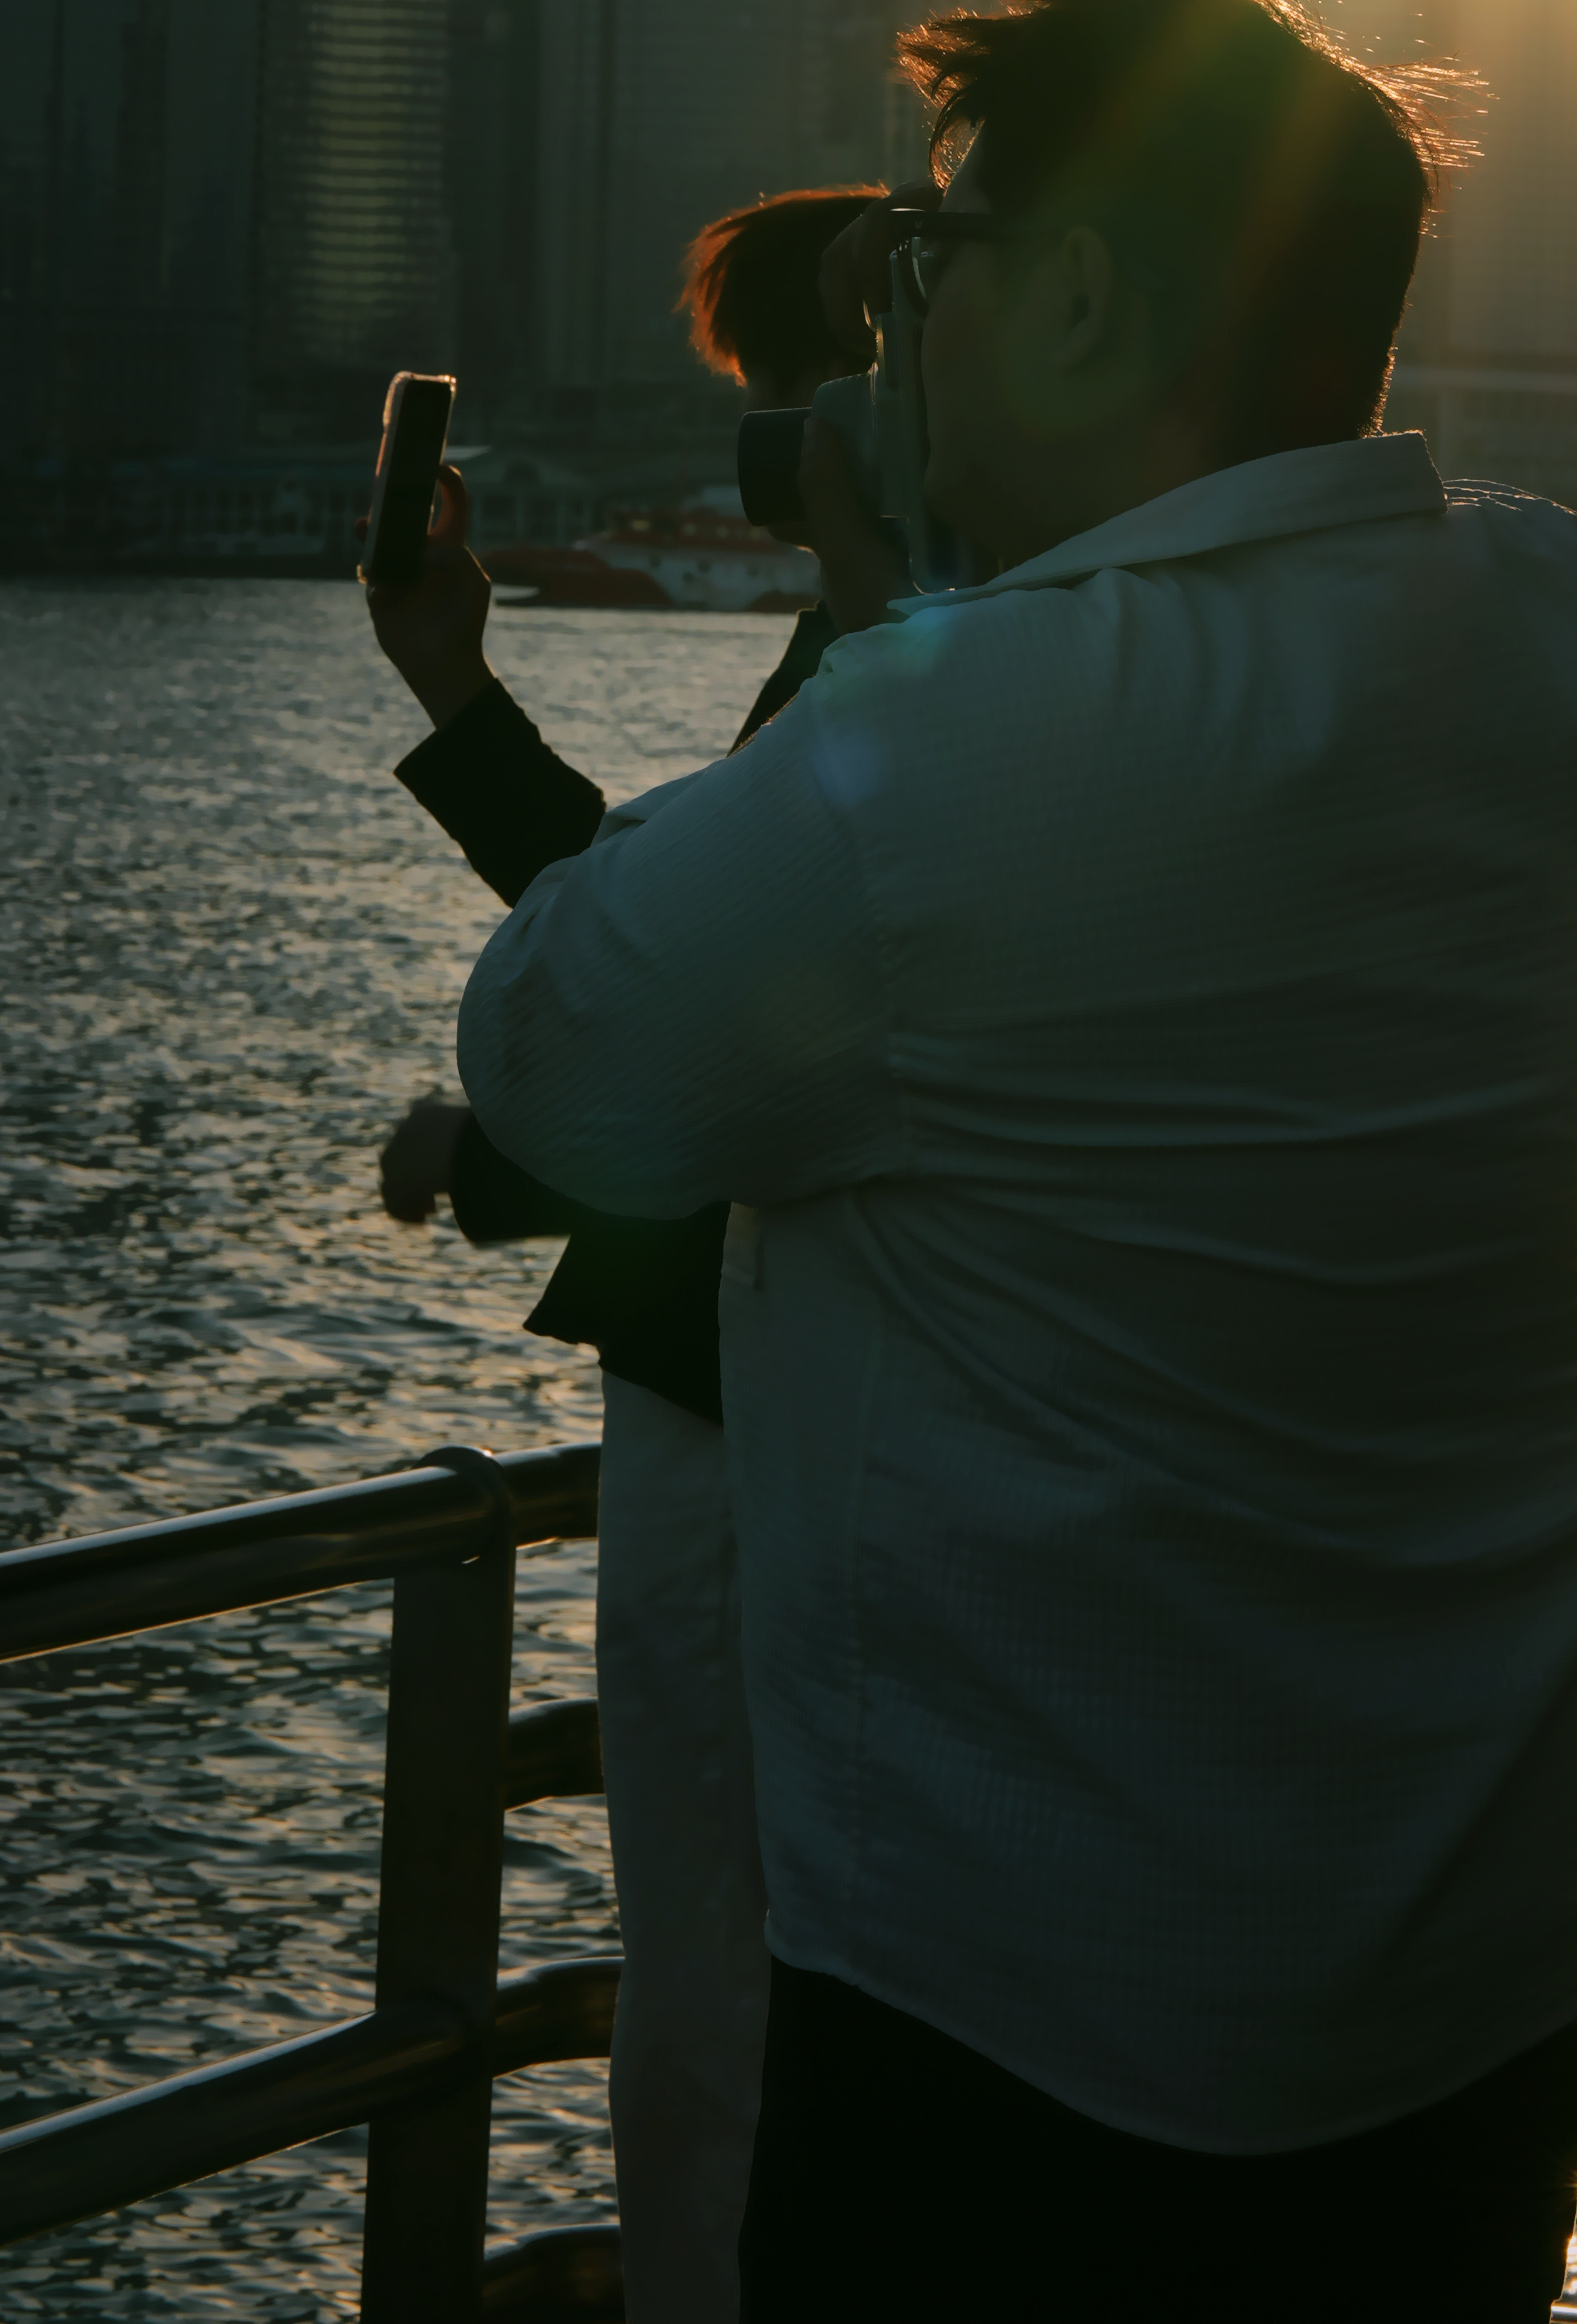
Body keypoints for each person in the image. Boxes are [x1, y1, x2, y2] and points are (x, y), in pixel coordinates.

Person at [457, 0, 1577, 2324]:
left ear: (1091, 295)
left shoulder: (970, 746)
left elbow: (554, 1051)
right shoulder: (1564, 624)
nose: (898, 327)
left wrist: (903, 580)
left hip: (1021, 2051)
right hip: (1480, 2003)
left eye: (932, 262)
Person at [367, 184, 882, 2324]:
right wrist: (453, 682)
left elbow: (729, 1033)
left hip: (749, 1413)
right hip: (818, 1405)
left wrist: (512, 1154)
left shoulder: (889, 662)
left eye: (803, 391)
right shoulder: (915, 646)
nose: (778, 453)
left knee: (718, 1962)